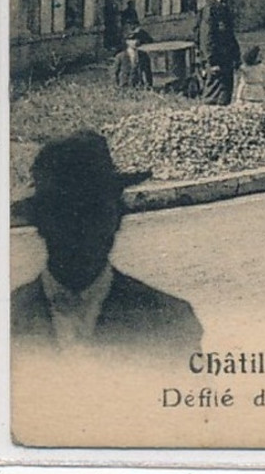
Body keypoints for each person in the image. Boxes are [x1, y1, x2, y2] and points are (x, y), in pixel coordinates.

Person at [11, 131, 202, 362]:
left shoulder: (169, 320)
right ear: (39, 220)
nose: (80, 228)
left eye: (94, 211)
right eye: (64, 212)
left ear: (118, 217)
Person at [196, 0, 241, 106]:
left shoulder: (223, 6)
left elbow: (230, 36)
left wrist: (236, 58)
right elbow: (206, 37)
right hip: (218, 62)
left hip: (227, 60)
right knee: (213, 96)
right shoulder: (210, 9)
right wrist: (211, 61)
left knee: (225, 96)